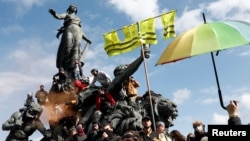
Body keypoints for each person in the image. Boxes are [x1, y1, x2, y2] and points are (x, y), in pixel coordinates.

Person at [49, 4, 91, 74]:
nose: (73, 7)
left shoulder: (78, 19)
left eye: (75, 7)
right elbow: (58, 16)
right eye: (72, 6)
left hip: (78, 31)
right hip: (68, 30)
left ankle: (74, 66)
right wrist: (54, 14)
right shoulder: (67, 15)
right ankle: (65, 66)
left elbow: (80, 30)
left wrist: (87, 39)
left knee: (76, 48)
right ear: (69, 8)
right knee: (67, 47)